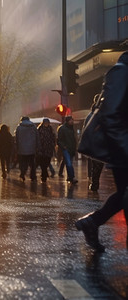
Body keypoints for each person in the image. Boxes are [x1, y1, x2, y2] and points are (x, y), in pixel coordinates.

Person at [75, 51, 128, 252]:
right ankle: (92, 222)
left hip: (122, 148)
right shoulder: (121, 71)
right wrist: (125, 149)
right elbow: (111, 115)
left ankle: (93, 222)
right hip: (123, 150)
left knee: (123, 194)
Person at [15, 116, 39, 181]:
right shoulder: (33, 127)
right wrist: (37, 146)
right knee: (32, 163)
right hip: (32, 148)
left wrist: (17, 147)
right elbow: (37, 137)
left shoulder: (19, 127)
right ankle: (33, 176)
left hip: (22, 148)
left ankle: (23, 173)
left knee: (23, 162)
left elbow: (16, 138)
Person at [57, 116, 78, 184]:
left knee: (70, 163)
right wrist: (64, 147)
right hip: (66, 149)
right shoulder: (62, 128)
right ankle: (72, 177)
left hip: (71, 149)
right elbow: (59, 140)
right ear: (68, 121)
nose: (72, 121)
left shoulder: (72, 129)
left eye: (72, 120)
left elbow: (74, 139)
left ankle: (70, 177)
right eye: (71, 120)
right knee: (69, 163)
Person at [37, 118, 56, 183]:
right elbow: (38, 138)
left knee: (47, 162)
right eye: (45, 123)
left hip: (49, 149)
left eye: (47, 123)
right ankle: (44, 175)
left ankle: (44, 174)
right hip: (42, 149)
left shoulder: (51, 129)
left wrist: (53, 144)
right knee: (43, 163)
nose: (46, 124)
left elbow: (53, 137)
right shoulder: (39, 129)